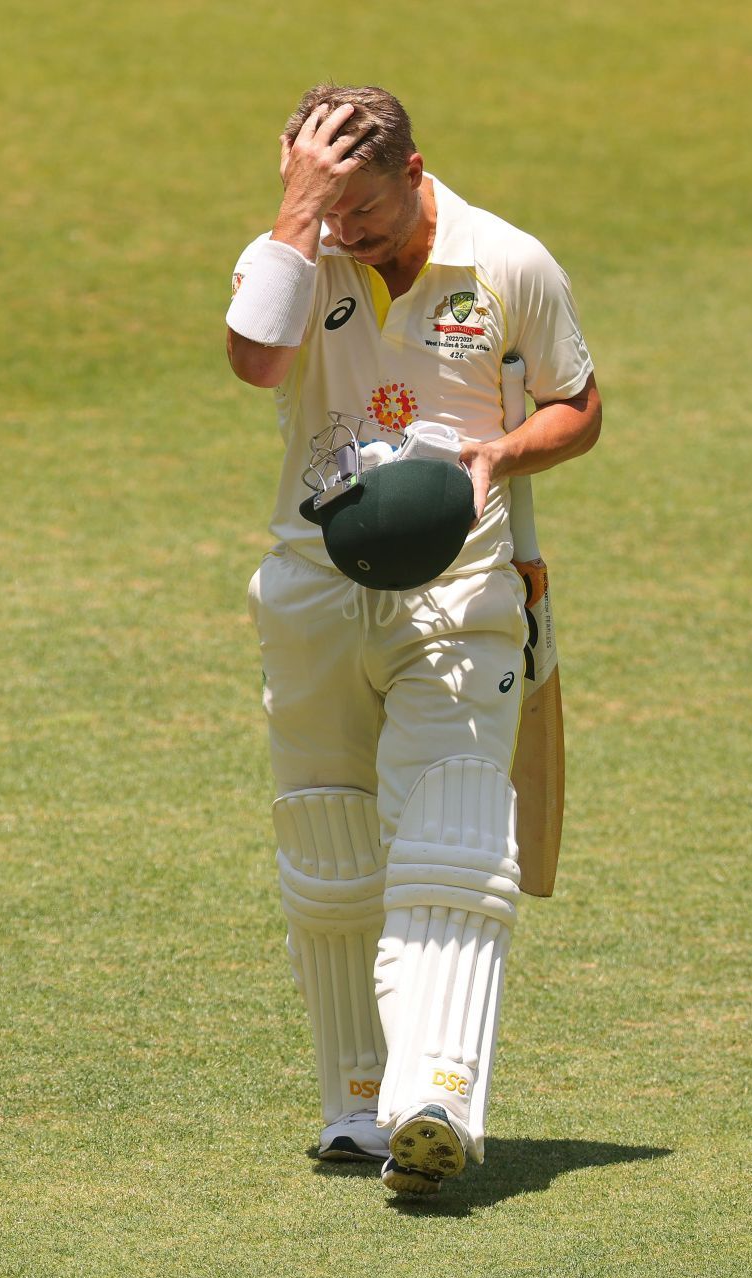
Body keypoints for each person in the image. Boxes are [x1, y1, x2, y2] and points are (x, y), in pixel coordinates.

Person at [224, 83, 600, 1195]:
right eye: (323, 203)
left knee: (450, 832)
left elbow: (579, 405)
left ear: (415, 167)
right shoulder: (294, 251)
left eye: (366, 210)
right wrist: (301, 213)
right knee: (328, 847)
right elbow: (254, 359)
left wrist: (496, 460)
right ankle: (354, 1107)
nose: (349, 231)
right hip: (311, 581)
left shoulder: (506, 261)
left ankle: (434, 1093)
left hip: (464, 585)